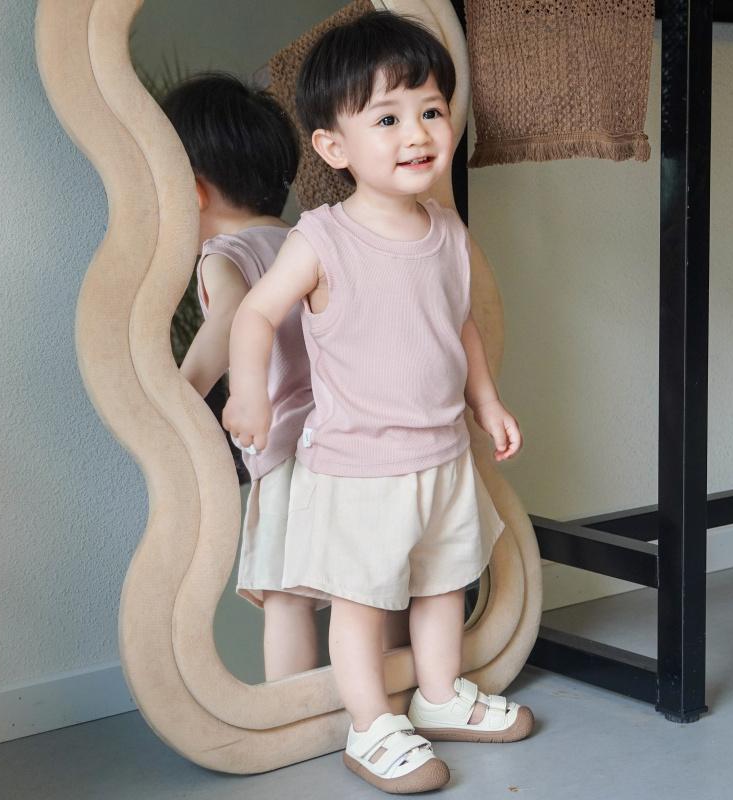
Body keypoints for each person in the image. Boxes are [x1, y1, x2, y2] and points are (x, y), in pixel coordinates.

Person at [222, 13, 533, 793]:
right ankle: (370, 725)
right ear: (335, 147)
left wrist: (488, 402)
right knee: (360, 603)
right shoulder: (323, 238)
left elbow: (457, 326)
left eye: (430, 110)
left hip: (441, 453)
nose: (417, 133)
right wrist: (250, 398)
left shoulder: (447, 233)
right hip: (358, 467)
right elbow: (256, 315)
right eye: (388, 119)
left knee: (442, 582)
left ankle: (438, 694)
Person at [161, 73, 322, 681]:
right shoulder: (303, 238)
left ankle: (293, 707)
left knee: (285, 595)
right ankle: (385, 697)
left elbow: (230, 315)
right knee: (370, 586)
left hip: (288, 446)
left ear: (192, 192)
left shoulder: (223, 255)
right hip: (347, 434)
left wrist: (180, 394)